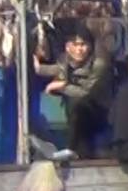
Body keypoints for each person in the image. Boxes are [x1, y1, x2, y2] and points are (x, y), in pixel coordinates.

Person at [36, 29, 111, 158]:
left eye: (82, 45)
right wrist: (37, 67)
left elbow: (86, 92)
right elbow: (54, 69)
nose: (78, 49)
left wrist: (61, 87)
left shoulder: (99, 65)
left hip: (98, 111)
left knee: (78, 105)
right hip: (76, 117)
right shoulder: (65, 60)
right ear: (67, 47)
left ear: (90, 46)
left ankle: (71, 149)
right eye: (74, 45)